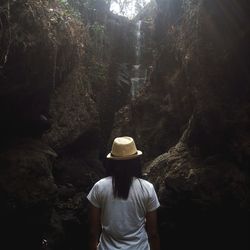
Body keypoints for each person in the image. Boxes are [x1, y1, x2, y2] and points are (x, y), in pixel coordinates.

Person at [87, 136, 161, 250]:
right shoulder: (147, 188)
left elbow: (93, 232)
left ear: (111, 162)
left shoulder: (99, 187)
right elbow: (153, 233)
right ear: (136, 162)